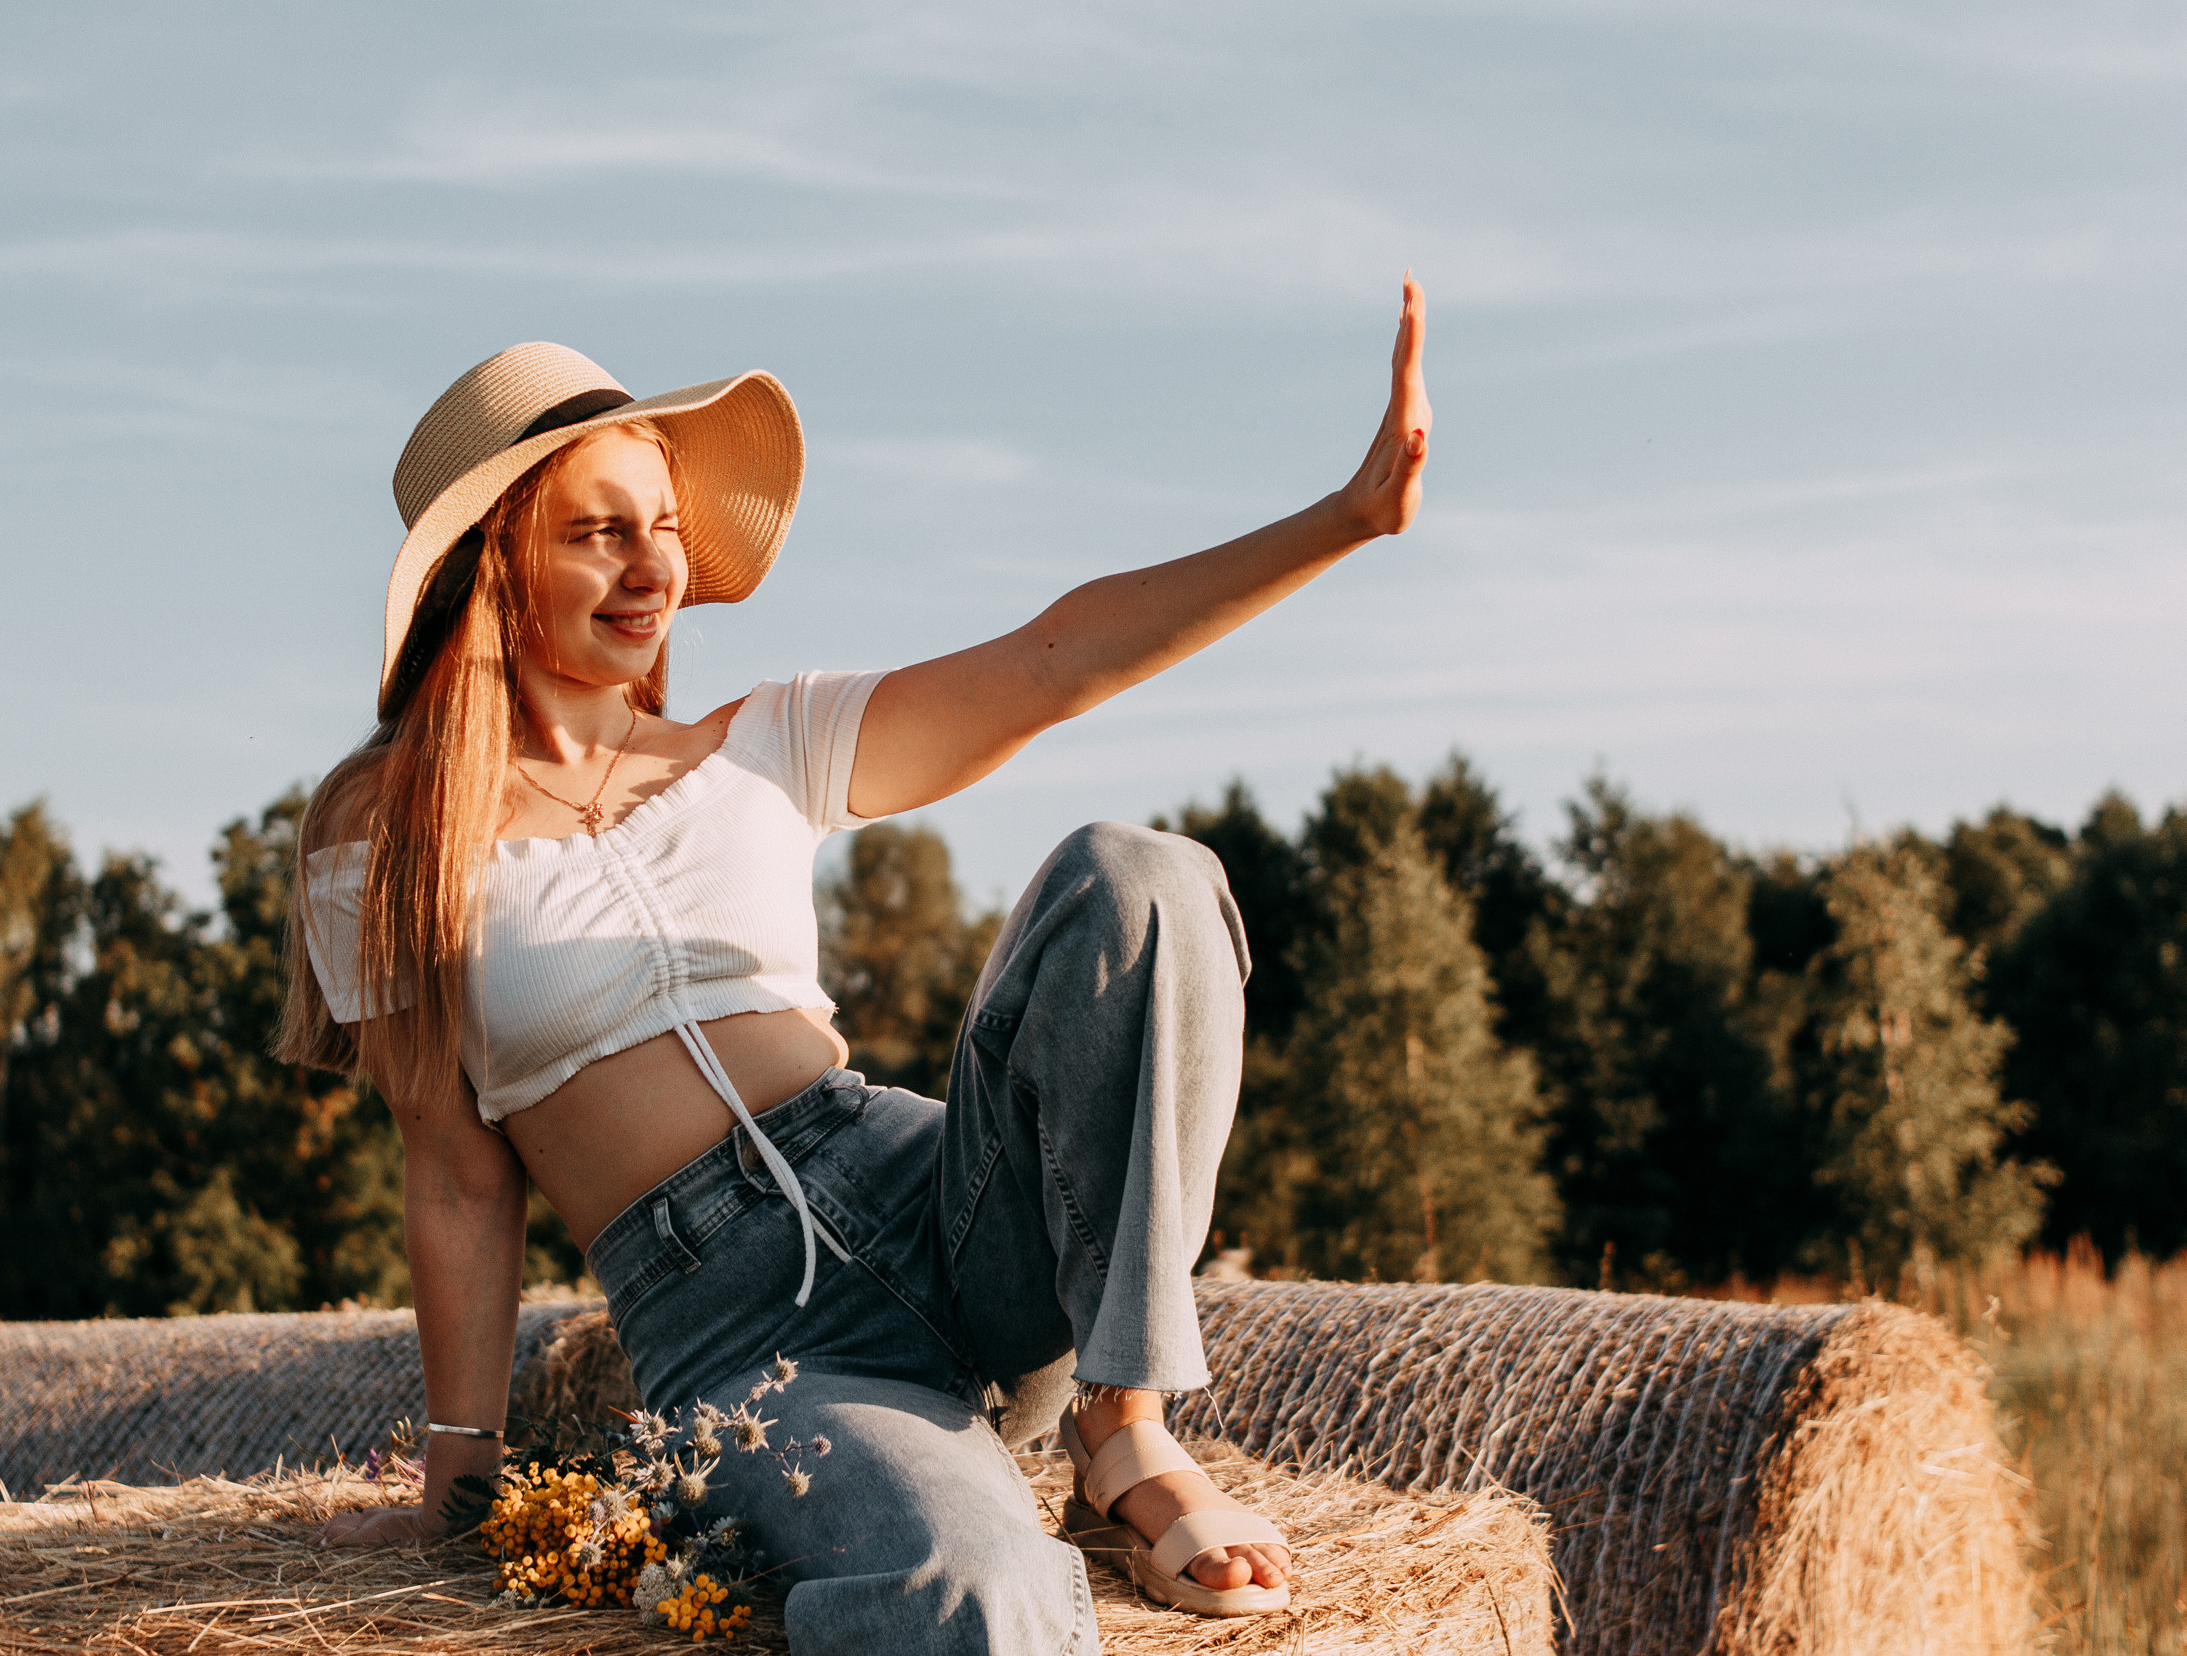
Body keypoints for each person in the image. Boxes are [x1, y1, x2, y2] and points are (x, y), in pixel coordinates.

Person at [280, 282, 1430, 1653]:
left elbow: (1054, 659)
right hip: (747, 1337)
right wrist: (459, 1487)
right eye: (598, 533)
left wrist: (1342, 519)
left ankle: (1123, 1424)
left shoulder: (764, 743)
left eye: (663, 526)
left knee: (1138, 878)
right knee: (972, 1586)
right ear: (493, 561)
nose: (653, 570)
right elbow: (458, 1177)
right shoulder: (385, 833)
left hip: (940, 1203)